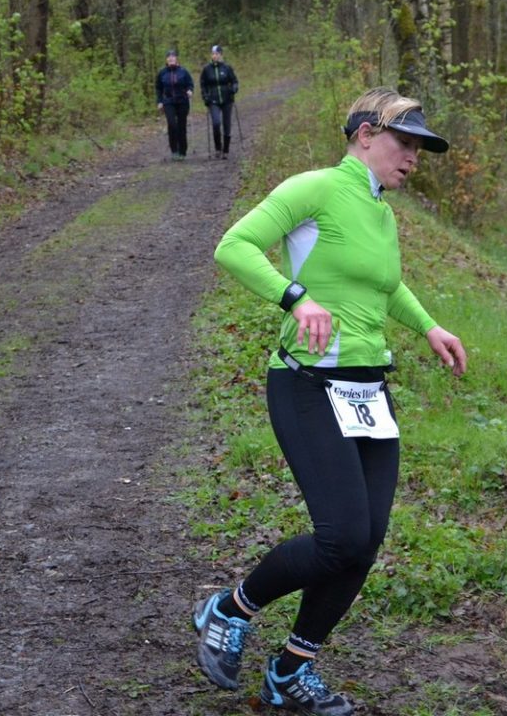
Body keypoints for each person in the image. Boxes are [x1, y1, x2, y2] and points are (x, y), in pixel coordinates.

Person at [193, 87, 467, 715]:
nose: (414, 158)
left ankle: (291, 670)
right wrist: (297, 297)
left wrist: (428, 326)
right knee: (340, 535)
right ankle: (229, 608)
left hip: (368, 390)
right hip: (306, 383)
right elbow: (233, 245)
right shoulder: (313, 187)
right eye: (406, 143)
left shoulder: (383, 214)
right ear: (366, 134)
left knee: (365, 541)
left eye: (420, 149)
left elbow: (387, 286)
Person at [199, 44, 239, 159]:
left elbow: (234, 81)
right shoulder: (207, 69)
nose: (214, 56)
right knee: (216, 123)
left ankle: (226, 150)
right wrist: (205, 96)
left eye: (216, 54)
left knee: (227, 125)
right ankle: (218, 148)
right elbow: (203, 84)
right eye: (213, 54)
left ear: (221, 55)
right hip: (213, 100)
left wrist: (234, 88)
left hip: (227, 99)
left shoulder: (227, 68)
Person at [155, 49, 194, 160]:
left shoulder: (183, 72)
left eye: (173, 57)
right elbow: (158, 88)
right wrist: (159, 101)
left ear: (177, 59)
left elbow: (190, 84)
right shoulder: (162, 73)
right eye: (169, 57)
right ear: (166, 60)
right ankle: (174, 150)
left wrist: (190, 90)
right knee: (172, 125)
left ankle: (182, 151)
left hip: (182, 101)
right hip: (168, 102)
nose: (171, 58)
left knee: (182, 126)